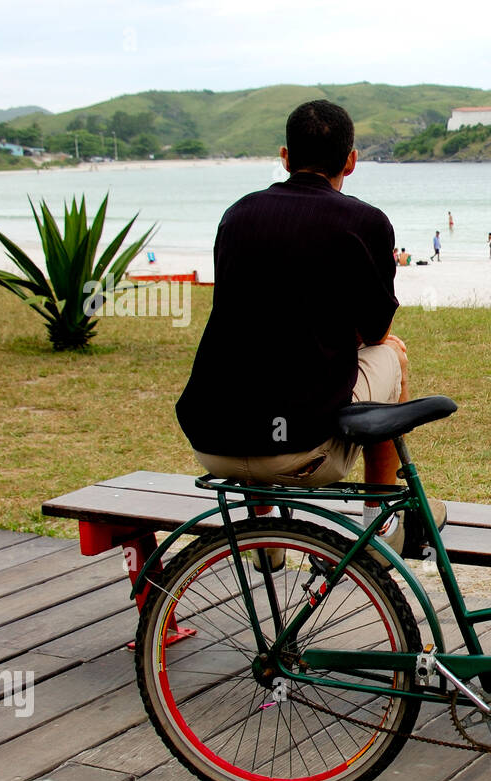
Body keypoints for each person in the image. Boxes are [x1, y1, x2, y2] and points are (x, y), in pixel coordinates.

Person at [175, 99, 443, 555]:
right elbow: (376, 330)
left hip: (212, 441)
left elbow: (242, 311)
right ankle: (381, 525)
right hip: (302, 451)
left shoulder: (236, 215)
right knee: (392, 352)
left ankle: (265, 531)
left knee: (253, 354)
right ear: (351, 161)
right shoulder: (365, 222)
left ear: (285, 156)